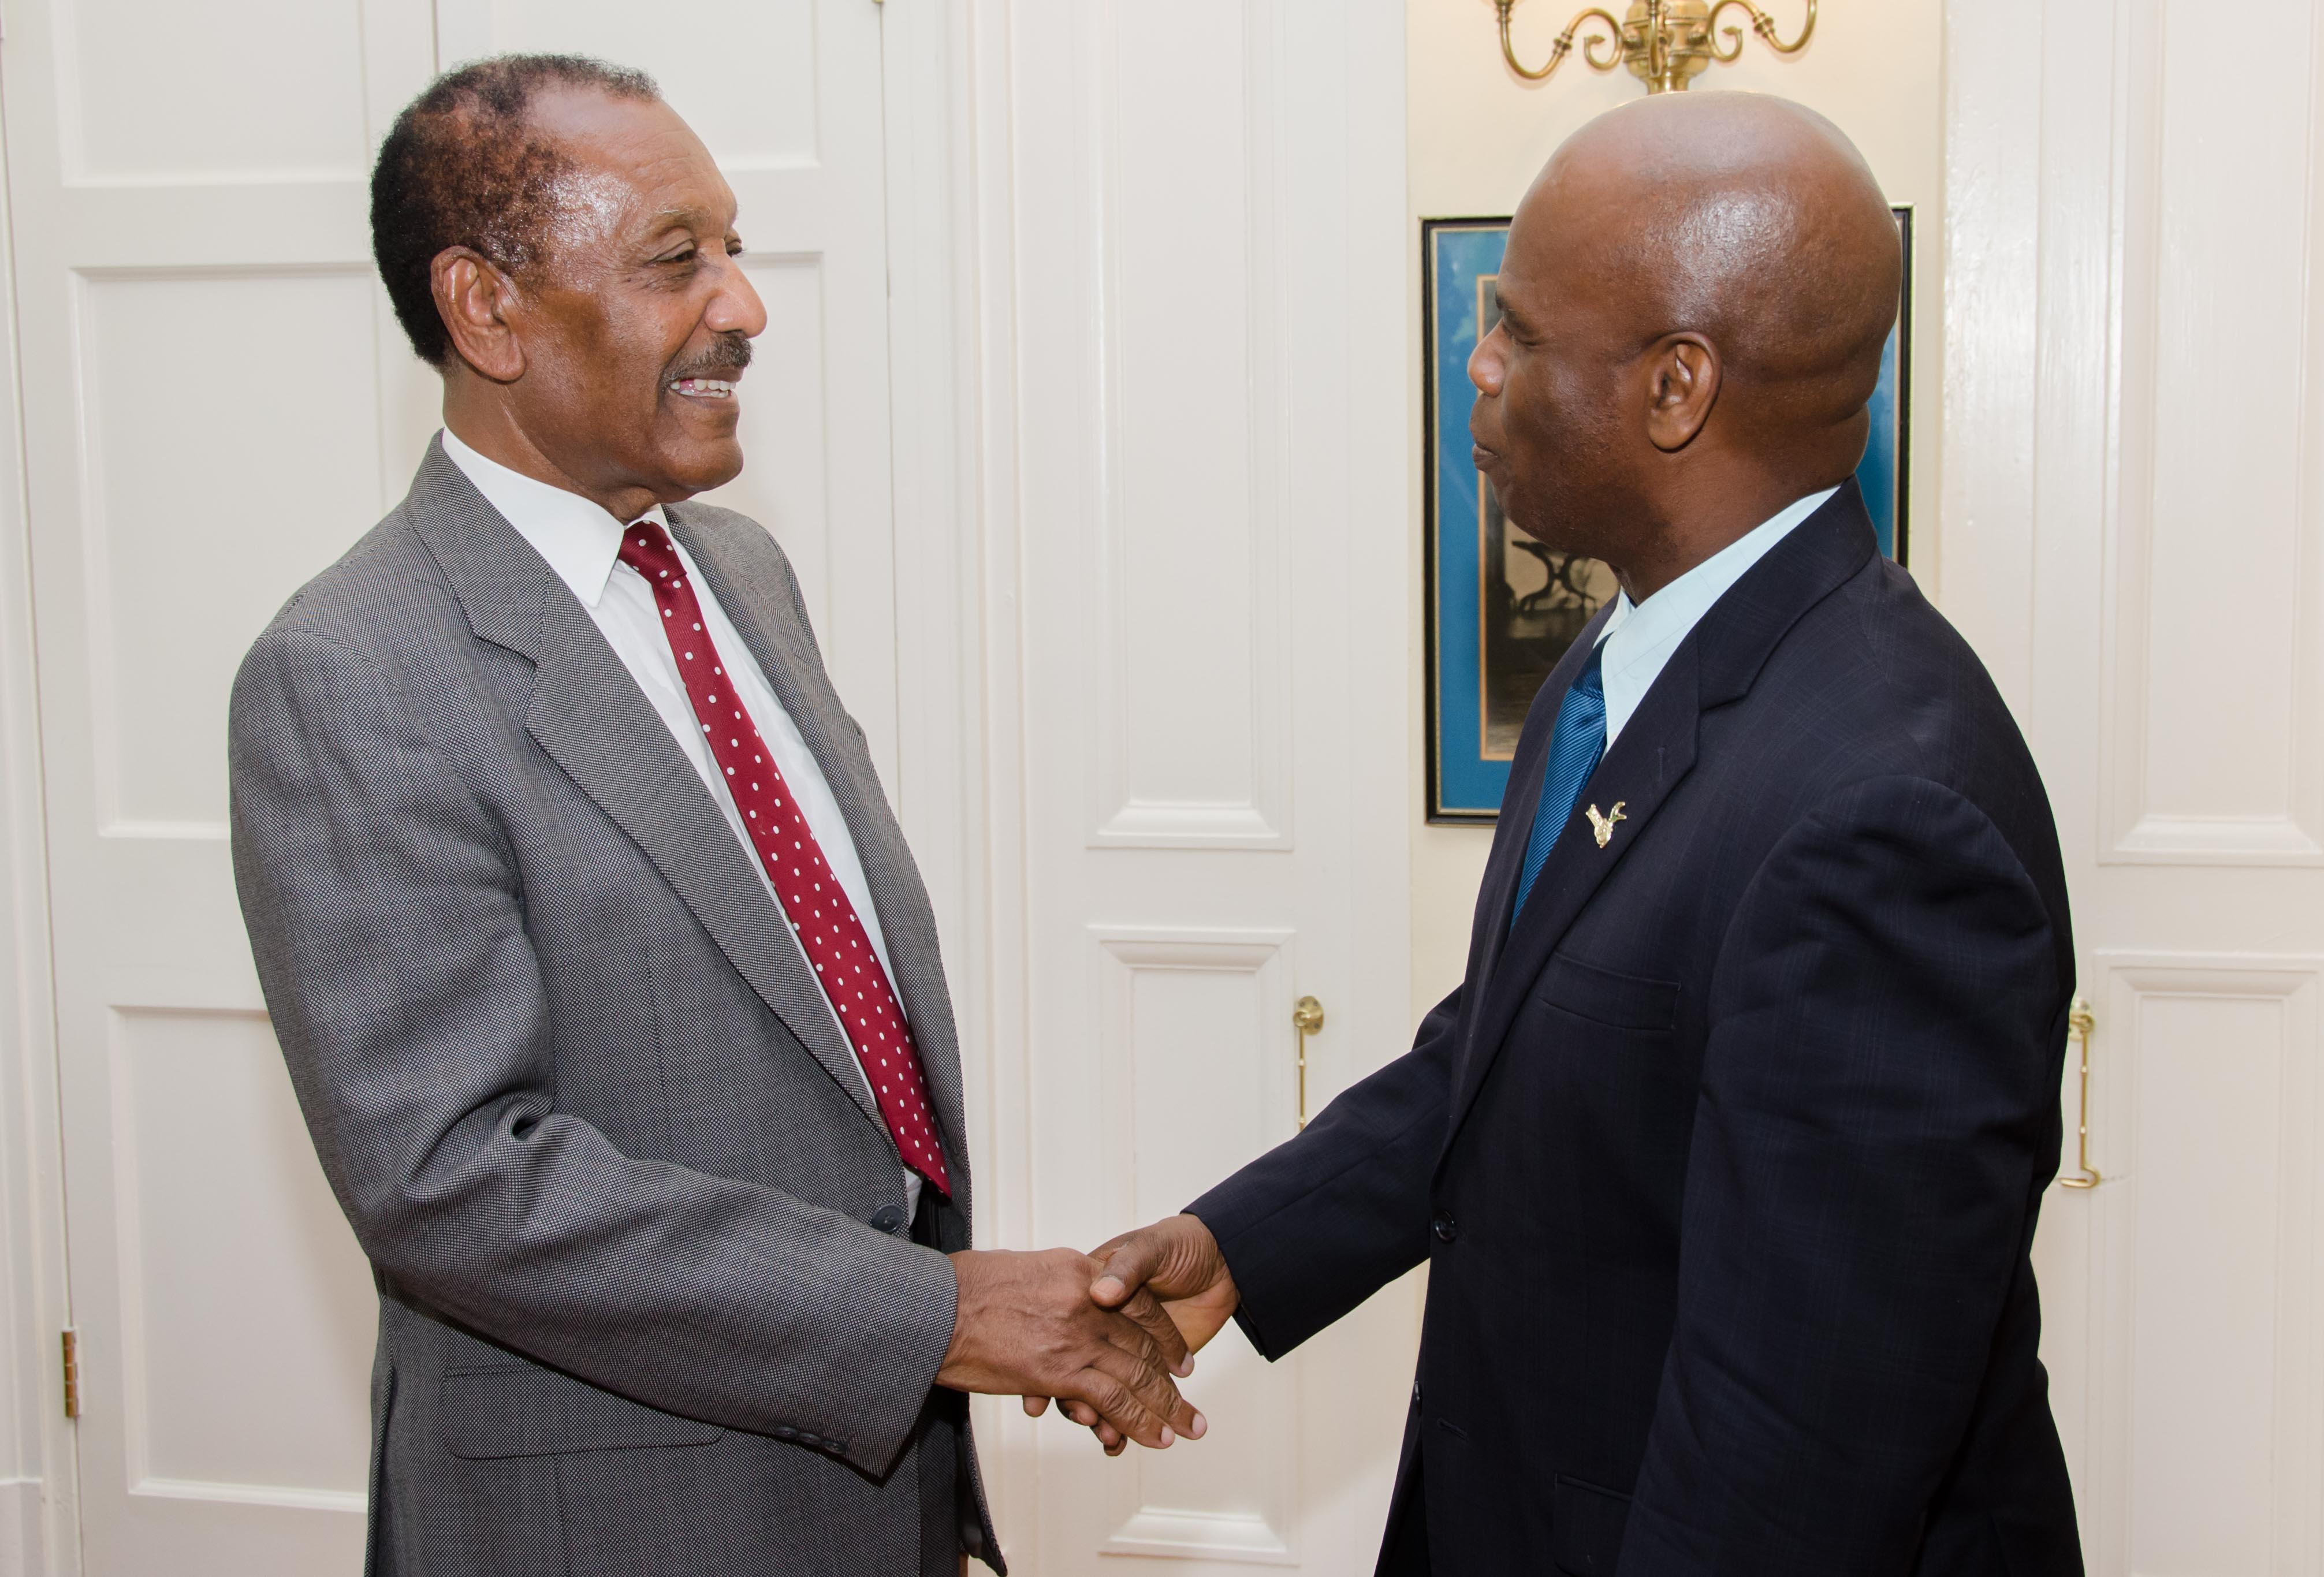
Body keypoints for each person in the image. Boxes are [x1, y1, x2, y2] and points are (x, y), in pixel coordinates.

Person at [1085, 93, 2085, 1575]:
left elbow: (1793, 1464)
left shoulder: (1888, 812)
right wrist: (1247, 1244)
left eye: (1522, 334)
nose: (1476, 368)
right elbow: (1515, 1048)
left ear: (1676, 387)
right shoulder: (1632, 660)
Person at [229, 55, 1200, 1577]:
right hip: (613, 1520)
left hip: (869, 1478)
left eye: (732, 248)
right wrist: (938, 1315)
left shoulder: (736, 571)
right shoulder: (352, 670)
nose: (743, 305)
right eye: (678, 258)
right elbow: (456, 1180)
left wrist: (956, 1327)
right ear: (487, 311)